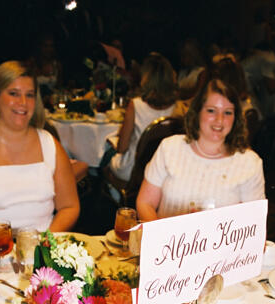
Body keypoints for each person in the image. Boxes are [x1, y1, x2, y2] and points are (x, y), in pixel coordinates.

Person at [0, 60, 80, 248]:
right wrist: (8, 246)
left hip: (43, 250)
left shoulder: (50, 144)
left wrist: (45, 241)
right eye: (13, 94)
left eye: (30, 95)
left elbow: (69, 206)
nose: (23, 103)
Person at [136, 78, 265, 221]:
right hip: (167, 242)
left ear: (236, 118)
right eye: (211, 111)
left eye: (228, 112)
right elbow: (145, 203)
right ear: (197, 112)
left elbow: (254, 223)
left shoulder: (249, 163)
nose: (219, 120)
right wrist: (163, 236)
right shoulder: (170, 148)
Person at [108, 52, 177, 182]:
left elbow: (122, 148)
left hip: (136, 171)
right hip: (166, 172)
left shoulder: (136, 105)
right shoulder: (179, 108)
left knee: (106, 157)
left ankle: (116, 197)